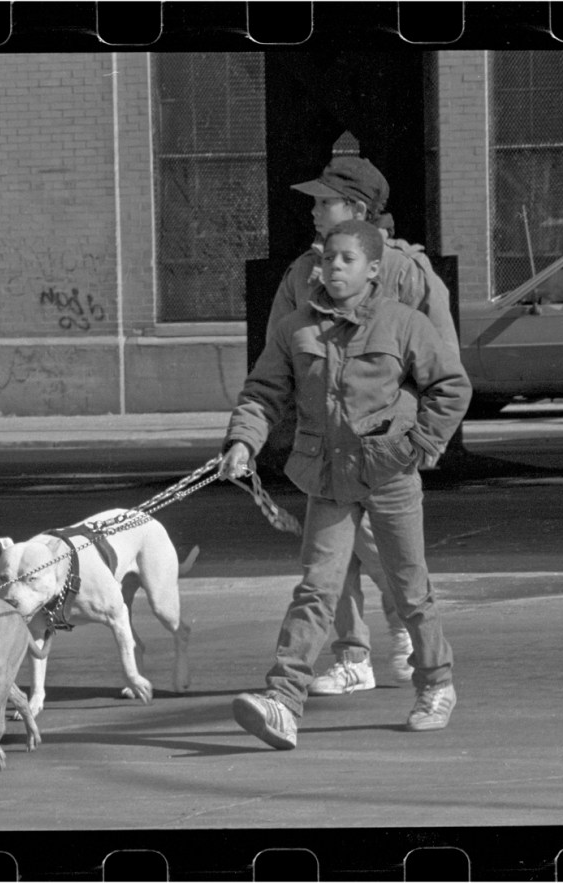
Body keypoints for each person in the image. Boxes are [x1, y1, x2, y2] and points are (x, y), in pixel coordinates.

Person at [221, 219, 471, 749]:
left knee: (410, 590)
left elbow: (450, 387)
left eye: (346, 259)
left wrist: (418, 445)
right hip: (327, 478)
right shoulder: (296, 329)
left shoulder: (403, 323)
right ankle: (284, 702)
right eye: (327, 258)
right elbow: (263, 393)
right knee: (316, 588)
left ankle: (436, 685)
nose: (332, 267)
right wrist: (243, 443)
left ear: (373, 268)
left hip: (389, 475)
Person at [265, 155, 460, 697]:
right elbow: (277, 360)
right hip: (326, 449)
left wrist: (412, 442)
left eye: (324, 200)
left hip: (384, 455)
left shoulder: (404, 271)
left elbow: (443, 366)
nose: (313, 209)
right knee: (331, 563)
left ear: (357, 209)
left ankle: (410, 642)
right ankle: (352, 656)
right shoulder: (302, 274)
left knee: (386, 557)